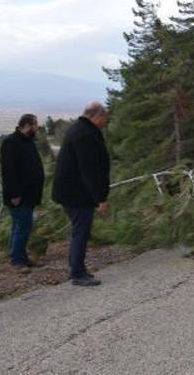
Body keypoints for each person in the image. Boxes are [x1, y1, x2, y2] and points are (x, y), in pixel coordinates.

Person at [52, 102, 110, 287]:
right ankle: (77, 272)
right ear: (96, 116)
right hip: (76, 194)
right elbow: (89, 170)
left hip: (73, 192)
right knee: (81, 232)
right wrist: (99, 198)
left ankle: (77, 269)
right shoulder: (84, 135)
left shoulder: (79, 130)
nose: (105, 122)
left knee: (80, 231)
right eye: (104, 118)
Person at [0, 114, 45, 268]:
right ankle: (17, 259)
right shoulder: (11, 142)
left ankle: (20, 256)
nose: (37, 127)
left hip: (30, 195)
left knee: (21, 226)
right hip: (19, 196)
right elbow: (9, 171)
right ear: (27, 125)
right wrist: (14, 194)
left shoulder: (28, 142)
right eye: (35, 124)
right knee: (23, 226)